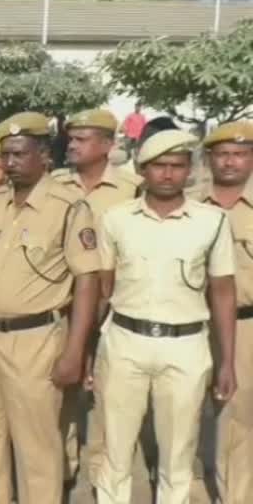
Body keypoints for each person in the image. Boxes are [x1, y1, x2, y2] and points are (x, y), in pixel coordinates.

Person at [0, 112, 101, 504]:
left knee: (37, 443)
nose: (10, 163)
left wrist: (75, 350)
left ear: (44, 156)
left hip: (35, 339)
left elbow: (88, 280)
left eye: (19, 154)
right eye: (6, 155)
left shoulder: (68, 206)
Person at [93, 129, 237, 504]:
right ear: (143, 169)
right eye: (159, 166)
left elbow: (222, 291)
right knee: (115, 451)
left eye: (177, 166)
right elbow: (103, 288)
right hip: (125, 341)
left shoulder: (212, 221)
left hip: (186, 346)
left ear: (189, 170)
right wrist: (90, 351)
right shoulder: (116, 219)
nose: (168, 174)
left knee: (178, 453)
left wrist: (227, 362)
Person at [50, 109, 143, 486]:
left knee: (107, 398)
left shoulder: (132, 188)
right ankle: (62, 468)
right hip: (62, 307)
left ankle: (101, 475)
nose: (72, 145)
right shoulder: (55, 184)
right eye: (71, 139)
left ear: (107, 145)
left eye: (82, 139)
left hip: (113, 309)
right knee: (59, 395)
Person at [193, 121, 253, 504]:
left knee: (239, 417)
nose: (230, 162)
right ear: (210, 158)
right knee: (188, 411)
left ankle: (236, 497)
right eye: (223, 155)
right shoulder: (190, 205)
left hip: (247, 325)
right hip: (195, 323)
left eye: (240, 154)